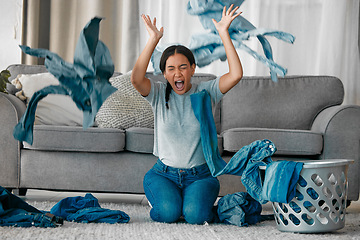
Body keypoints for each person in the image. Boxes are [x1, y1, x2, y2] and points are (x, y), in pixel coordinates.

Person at [131, 4, 243, 224]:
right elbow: (135, 78)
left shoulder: (206, 91)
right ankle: (170, 201)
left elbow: (236, 74)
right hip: (163, 174)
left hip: (200, 176)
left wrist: (223, 34)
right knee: (168, 214)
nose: (177, 73)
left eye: (183, 67)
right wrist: (153, 39)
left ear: (193, 68)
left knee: (195, 216)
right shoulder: (157, 93)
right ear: (164, 73)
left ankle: (189, 201)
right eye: (171, 69)